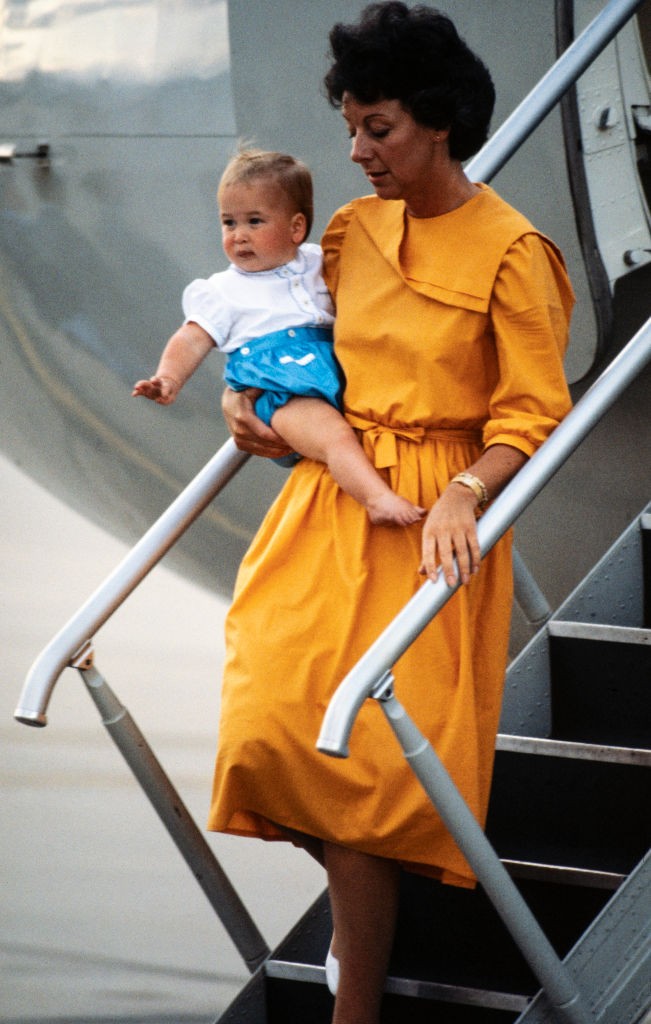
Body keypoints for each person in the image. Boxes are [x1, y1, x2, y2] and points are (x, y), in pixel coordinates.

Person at [210, 5, 574, 1024]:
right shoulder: (349, 233)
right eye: (352, 127)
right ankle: (355, 953)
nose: (358, 150)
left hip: (431, 517)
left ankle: (354, 1003)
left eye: (378, 127)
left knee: (369, 769)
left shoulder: (514, 253)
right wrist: (249, 404)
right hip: (332, 504)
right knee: (266, 727)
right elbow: (287, 343)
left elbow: (535, 414)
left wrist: (467, 491)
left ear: (440, 121)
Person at [133, 148, 424, 527]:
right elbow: (190, 338)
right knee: (336, 438)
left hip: (331, 372)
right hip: (282, 388)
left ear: (296, 228)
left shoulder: (320, 262)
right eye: (228, 223)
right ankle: (377, 499)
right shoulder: (222, 291)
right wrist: (168, 379)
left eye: (254, 221)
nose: (239, 236)